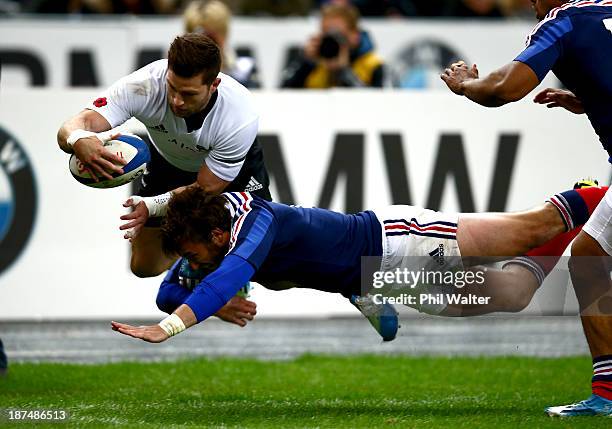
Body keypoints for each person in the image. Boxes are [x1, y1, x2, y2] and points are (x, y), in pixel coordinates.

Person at [111, 183, 605, 345]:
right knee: (516, 296)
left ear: (216, 235)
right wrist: (210, 309)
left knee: (528, 229)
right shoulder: (211, 233)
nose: (190, 262)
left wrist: (170, 329)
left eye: (194, 253)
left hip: (396, 239)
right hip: (379, 274)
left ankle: (599, 195)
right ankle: (357, 289)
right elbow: (167, 292)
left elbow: (232, 273)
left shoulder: (254, 223)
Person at [440, 0, 612, 416]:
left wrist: (465, 85)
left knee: (579, 258)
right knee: (589, 256)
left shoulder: (564, 20)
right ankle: (606, 393)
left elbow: (505, 87)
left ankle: (607, 397)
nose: (531, 3)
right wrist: (588, 98)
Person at [57, 33, 271, 280]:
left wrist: (151, 206)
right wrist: (79, 139)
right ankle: (194, 267)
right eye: (172, 87)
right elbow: (72, 126)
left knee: (272, 271)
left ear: (213, 85)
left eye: (189, 94)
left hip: (230, 175)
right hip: (167, 161)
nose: (177, 101)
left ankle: (207, 267)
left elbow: (207, 188)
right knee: (143, 266)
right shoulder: (143, 85)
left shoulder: (239, 114)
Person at [281, 3, 385, 88]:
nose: (332, 39)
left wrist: (343, 73)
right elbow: (281, 97)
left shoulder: (373, 65)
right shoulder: (311, 62)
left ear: (355, 35)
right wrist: (305, 64)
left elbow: (376, 105)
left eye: (338, 34)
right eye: (326, 33)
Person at [183, 0, 261, 88]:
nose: (205, 47)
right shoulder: (174, 71)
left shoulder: (244, 69)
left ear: (224, 34)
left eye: (211, 38)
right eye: (198, 40)